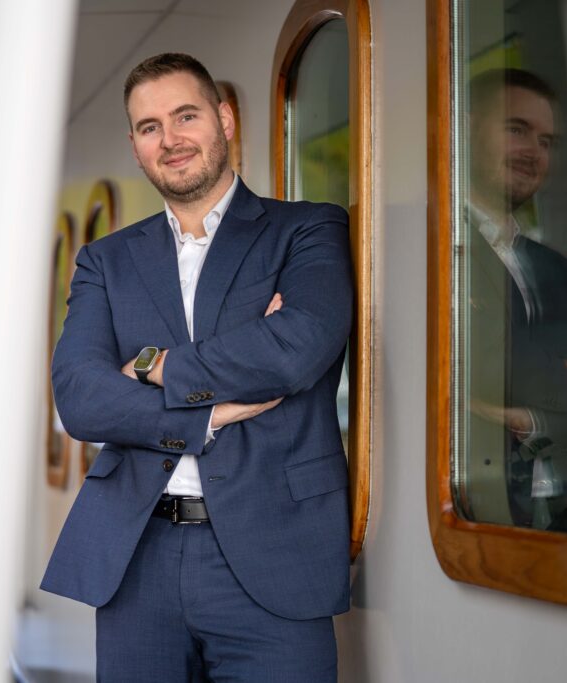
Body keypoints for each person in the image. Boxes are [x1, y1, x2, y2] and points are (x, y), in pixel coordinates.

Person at [40, 53, 353, 681]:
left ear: (225, 119)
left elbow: (293, 350)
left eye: (186, 116)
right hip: (138, 559)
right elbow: (80, 398)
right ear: (135, 146)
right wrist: (210, 415)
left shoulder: (306, 230)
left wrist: (151, 366)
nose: (171, 139)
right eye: (149, 126)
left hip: (276, 555)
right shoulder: (105, 261)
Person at [465, 68, 567, 531]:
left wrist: (533, 420)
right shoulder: (430, 250)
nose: (534, 152)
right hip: (470, 508)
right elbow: (479, 371)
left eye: (546, 140)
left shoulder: (558, 269)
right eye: (516, 129)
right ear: (465, 129)